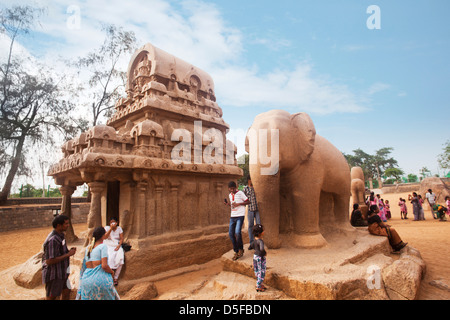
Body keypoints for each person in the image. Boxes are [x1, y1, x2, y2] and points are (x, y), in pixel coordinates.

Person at [77, 227, 120, 300]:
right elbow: (104, 265)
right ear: (103, 236)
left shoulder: (88, 248)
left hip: (86, 281)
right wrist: (112, 272)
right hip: (100, 281)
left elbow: (84, 266)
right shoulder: (103, 247)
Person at [42, 215, 77, 300]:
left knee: (66, 292)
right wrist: (68, 255)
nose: (68, 225)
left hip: (62, 273)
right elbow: (49, 260)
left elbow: (59, 252)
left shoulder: (61, 236)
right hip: (54, 274)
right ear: (58, 225)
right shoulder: (53, 240)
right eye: (66, 224)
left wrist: (68, 251)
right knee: (51, 296)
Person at [224, 181, 250, 261]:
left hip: (240, 215)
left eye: (233, 188)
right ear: (228, 189)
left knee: (237, 232)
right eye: (230, 189)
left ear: (236, 187)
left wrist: (239, 204)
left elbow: (248, 201)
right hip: (233, 216)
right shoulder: (229, 195)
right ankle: (236, 251)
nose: (232, 190)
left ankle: (241, 249)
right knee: (231, 234)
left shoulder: (240, 193)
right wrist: (228, 204)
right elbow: (233, 205)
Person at [104, 217, 125, 286]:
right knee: (110, 258)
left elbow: (121, 238)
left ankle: (116, 277)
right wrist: (111, 228)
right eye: (111, 222)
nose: (112, 223)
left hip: (116, 244)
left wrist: (119, 246)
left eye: (114, 222)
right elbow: (105, 237)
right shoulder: (107, 228)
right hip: (109, 244)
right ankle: (110, 277)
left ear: (116, 223)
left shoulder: (119, 229)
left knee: (120, 258)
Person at [243, 175, 261, 248]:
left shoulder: (256, 188)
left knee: (258, 225)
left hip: (257, 210)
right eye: (251, 180)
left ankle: (259, 241)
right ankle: (251, 243)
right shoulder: (245, 189)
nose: (252, 181)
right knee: (250, 226)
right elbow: (243, 198)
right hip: (250, 209)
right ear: (248, 180)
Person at [248, 224, 267, 292]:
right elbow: (261, 249)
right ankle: (258, 286)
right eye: (263, 230)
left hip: (255, 257)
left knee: (257, 271)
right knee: (261, 271)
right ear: (260, 233)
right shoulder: (260, 241)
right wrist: (265, 253)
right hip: (260, 258)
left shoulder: (254, 241)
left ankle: (260, 284)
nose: (264, 231)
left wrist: (255, 247)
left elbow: (249, 247)